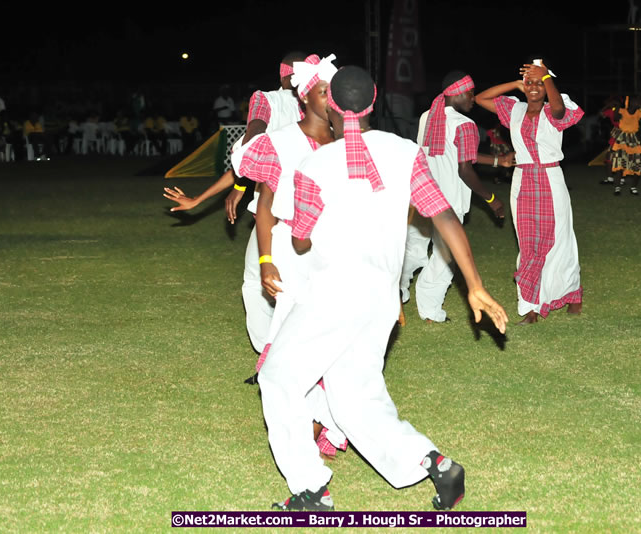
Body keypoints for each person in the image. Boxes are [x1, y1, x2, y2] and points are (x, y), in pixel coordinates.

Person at [259, 65, 509, 511]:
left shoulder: (315, 165)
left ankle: (310, 490)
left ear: (331, 107)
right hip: (380, 299)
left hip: (333, 294)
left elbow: (299, 241)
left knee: (278, 376)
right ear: (374, 102)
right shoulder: (405, 152)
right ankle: (436, 464)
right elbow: (443, 215)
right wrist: (474, 285)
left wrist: (302, 230)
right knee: (354, 397)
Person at [231, 53, 347, 459]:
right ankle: (311, 426)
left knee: (335, 340)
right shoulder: (281, 141)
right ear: (305, 97)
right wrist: (266, 261)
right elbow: (265, 207)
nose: (331, 100)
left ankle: (322, 422)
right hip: (290, 254)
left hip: (332, 252)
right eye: (323, 92)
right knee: (298, 342)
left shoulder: (346, 142)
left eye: (334, 93)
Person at [163, 51, 307, 365]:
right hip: (313, 211)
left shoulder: (266, 100)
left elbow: (251, 147)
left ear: (281, 74)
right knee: (300, 285)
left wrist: (233, 185)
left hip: (275, 209)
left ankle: (271, 356)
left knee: (257, 281)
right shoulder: (318, 107)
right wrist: (233, 187)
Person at [475, 59, 584, 325]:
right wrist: (516, 84)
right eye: (530, 83)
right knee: (527, 244)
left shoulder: (554, 108)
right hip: (523, 180)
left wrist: (545, 76)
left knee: (559, 241)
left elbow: (559, 110)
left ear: (548, 86)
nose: (534, 87)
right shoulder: (514, 109)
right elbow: (480, 98)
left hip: (550, 178)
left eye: (539, 84)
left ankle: (572, 293)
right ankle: (531, 307)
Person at [400, 70, 510, 323]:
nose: (473, 98)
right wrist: (492, 200)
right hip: (448, 204)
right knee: (444, 258)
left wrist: (498, 160)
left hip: (421, 196)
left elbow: (455, 153)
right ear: (457, 93)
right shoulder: (465, 125)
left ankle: (398, 289)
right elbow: (464, 169)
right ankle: (430, 311)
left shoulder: (428, 116)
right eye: (470, 93)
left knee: (413, 249)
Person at [609, 95, 641, 196]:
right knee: (619, 163)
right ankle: (617, 187)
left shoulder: (639, 112)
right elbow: (615, 118)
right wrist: (618, 106)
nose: (639, 102)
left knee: (637, 164)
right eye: (637, 100)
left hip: (633, 140)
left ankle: (633, 187)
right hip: (622, 140)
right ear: (631, 102)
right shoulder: (622, 111)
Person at [598, 95, 622, 185]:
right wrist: (607, 106)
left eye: (611, 102)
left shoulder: (623, 111)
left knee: (621, 157)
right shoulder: (611, 110)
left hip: (624, 134)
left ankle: (620, 179)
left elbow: (617, 118)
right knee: (609, 157)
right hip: (615, 134)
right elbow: (601, 114)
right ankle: (610, 178)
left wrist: (614, 105)